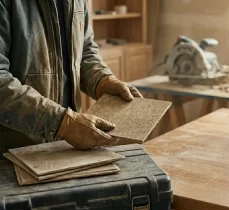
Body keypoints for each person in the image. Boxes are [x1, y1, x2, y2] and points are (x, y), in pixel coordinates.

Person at [0, 0, 143, 153]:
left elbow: (85, 52)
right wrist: (62, 123)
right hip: (13, 150)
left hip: (66, 145)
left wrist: (103, 81)